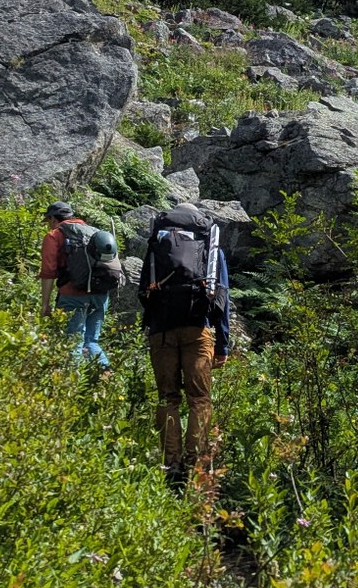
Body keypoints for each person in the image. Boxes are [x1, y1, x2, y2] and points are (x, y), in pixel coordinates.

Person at [139, 204, 230, 490]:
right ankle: (195, 464)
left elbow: (144, 290)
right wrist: (223, 345)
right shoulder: (210, 246)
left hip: (161, 332)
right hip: (197, 328)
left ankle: (172, 466)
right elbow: (222, 297)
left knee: (168, 398)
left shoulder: (158, 244)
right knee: (199, 399)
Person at [39, 200, 120, 370]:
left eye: (48, 221)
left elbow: (48, 272)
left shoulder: (54, 236)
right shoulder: (93, 231)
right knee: (91, 341)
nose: (48, 225)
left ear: (53, 218)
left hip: (73, 295)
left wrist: (45, 304)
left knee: (72, 341)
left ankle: (73, 382)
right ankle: (106, 378)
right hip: (100, 294)